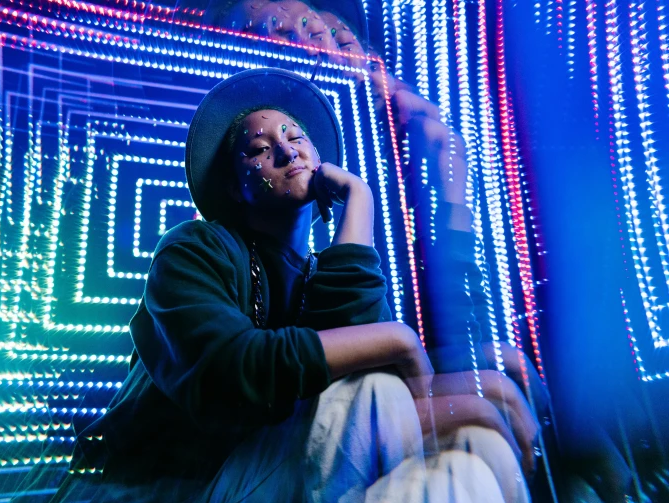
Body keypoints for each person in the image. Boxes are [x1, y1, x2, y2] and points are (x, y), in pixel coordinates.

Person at [0, 68, 536, 503]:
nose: (285, 150)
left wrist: (360, 203)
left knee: (474, 463)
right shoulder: (195, 250)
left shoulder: (321, 270)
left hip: (277, 487)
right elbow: (233, 371)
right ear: (234, 184)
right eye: (259, 148)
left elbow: (360, 342)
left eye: (296, 137)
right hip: (164, 502)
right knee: (372, 393)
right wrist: (396, 340)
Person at [204, 0, 550, 415]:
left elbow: (461, 333)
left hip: (381, 375)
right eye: (276, 31)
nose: (312, 35)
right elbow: (345, 338)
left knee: (510, 371)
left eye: (333, 35)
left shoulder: (397, 166)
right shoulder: (285, 198)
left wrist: (451, 196)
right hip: (326, 398)